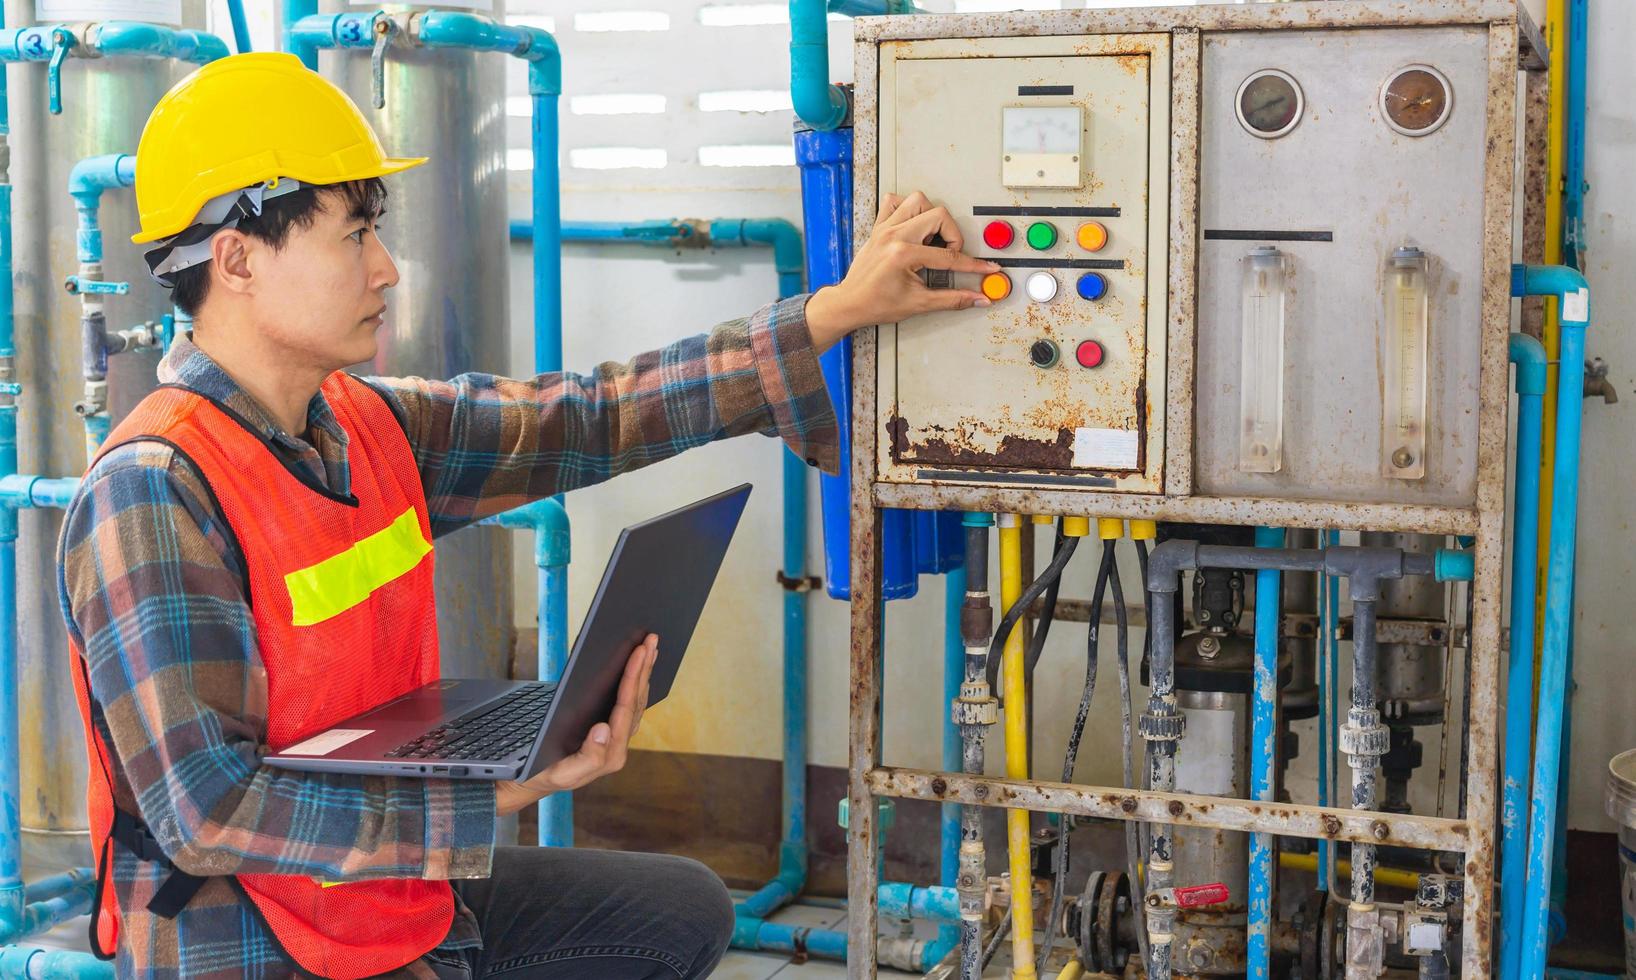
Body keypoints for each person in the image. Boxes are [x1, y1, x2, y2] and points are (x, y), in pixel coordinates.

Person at [57, 51, 999, 979]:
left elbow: (588, 417)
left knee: (680, 911)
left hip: (389, 893)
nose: (386, 270)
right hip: (255, 940)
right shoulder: (155, 487)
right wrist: (495, 793)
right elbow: (209, 810)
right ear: (236, 259)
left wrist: (829, 315)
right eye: (353, 236)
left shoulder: (363, 422)